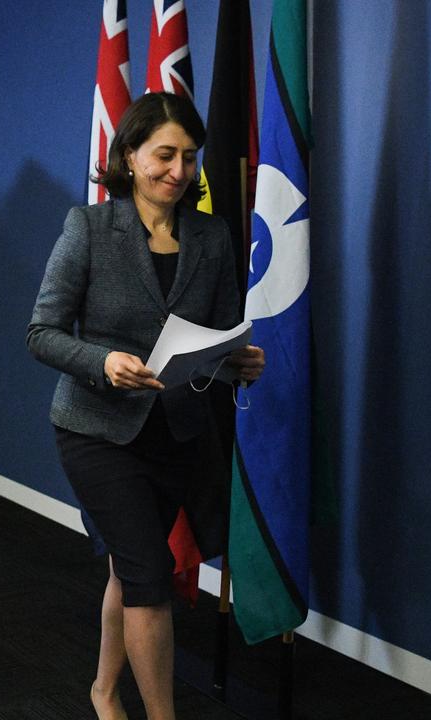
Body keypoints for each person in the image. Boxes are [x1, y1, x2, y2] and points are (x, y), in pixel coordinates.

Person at [27, 92, 266, 720]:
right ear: (130, 156)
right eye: (165, 155)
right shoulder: (89, 227)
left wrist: (238, 363)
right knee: (150, 578)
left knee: (129, 570)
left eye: (189, 158)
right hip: (96, 430)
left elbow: (218, 333)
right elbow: (42, 333)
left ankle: (104, 691)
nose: (179, 171)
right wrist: (102, 362)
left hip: (175, 434)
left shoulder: (212, 235)